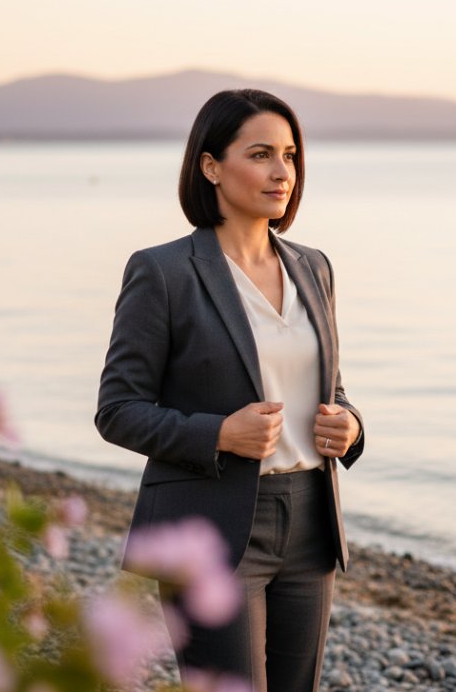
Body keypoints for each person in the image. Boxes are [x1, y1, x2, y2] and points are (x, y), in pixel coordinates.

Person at [95, 89, 365, 691]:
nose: (282, 172)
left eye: (290, 156)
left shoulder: (314, 267)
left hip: (311, 522)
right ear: (211, 166)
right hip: (207, 526)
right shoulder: (162, 271)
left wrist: (350, 425)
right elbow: (117, 410)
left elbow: (332, 388)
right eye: (261, 154)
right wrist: (218, 433)